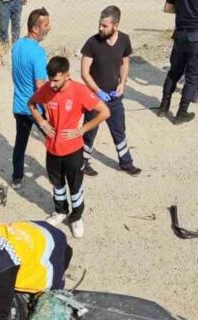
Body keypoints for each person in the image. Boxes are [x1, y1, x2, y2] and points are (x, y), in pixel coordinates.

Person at [29, 56, 110, 240]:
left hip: (73, 151)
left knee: (75, 186)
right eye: (50, 79)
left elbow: (105, 112)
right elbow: (31, 104)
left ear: (67, 76)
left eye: (56, 80)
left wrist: (81, 130)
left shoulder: (80, 91)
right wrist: (41, 121)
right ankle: (60, 211)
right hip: (52, 149)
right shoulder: (47, 89)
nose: (52, 84)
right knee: (57, 185)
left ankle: (76, 217)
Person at [80, 6, 141, 177]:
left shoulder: (124, 40)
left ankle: (126, 163)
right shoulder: (92, 43)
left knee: (119, 129)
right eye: (100, 24)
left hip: (114, 96)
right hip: (94, 98)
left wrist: (122, 83)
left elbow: (125, 63)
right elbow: (85, 73)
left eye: (105, 25)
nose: (100, 28)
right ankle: (83, 162)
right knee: (90, 130)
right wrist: (97, 91)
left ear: (116, 25)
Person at [158, 0, 198, 123]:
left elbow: (168, 8)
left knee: (174, 72)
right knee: (193, 77)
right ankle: (182, 112)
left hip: (180, 36)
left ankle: (163, 106)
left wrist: (185, 13)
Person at [10, 8, 51, 189]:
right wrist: (48, 109)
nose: (49, 28)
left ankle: (17, 178)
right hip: (36, 108)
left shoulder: (17, 45)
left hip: (19, 105)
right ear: (35, 28)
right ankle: (55, 174)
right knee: (52, 141)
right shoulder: (38, 53)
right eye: (46, 25)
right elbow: (40, 86)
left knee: (20, 142)